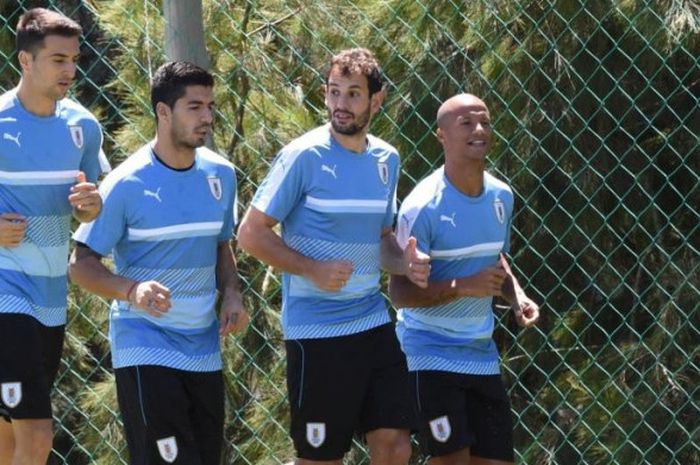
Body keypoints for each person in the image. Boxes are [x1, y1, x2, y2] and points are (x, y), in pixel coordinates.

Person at [237, 48, 430, 465]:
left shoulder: (387, 160)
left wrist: (405, 263)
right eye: (334, 92)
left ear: (376, 101)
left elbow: (380, 241)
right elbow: (250, 234)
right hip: (317, 332)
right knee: (321, 458)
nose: (340, 104)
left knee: (396, 445)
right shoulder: (303, 156)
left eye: (353, 94)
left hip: (373, 325)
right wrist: (312, 269)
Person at [69, 61, 249, 465]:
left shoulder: (221, 175)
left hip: (203, 349)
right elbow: (80, 264)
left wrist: (233, 294)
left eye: (210, 106)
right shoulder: (125, 183)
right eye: (194, 106)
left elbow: (222, 246)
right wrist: (132, 290)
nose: (206, 117)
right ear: (163, 112)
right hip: (145, 345)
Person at [389, 93, 540, 465]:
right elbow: (399, 291)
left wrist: (516, 296)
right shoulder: (422, 205)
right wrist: (461, 287)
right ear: (441, 135)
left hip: (481, 356)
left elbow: (495, 258)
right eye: (466, 123)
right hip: (429, 355)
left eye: (485, 122)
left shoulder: (501, 197)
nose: (479, 130)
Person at [0, 8, 109, 465]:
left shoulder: (83, 126)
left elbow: (98, 197)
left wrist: (92, 203)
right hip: (6, 294)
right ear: (26, 60)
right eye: (58, 59)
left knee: (9, 433)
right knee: (38, 433)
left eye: (74, 59)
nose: (70, 70)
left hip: (50, 297)